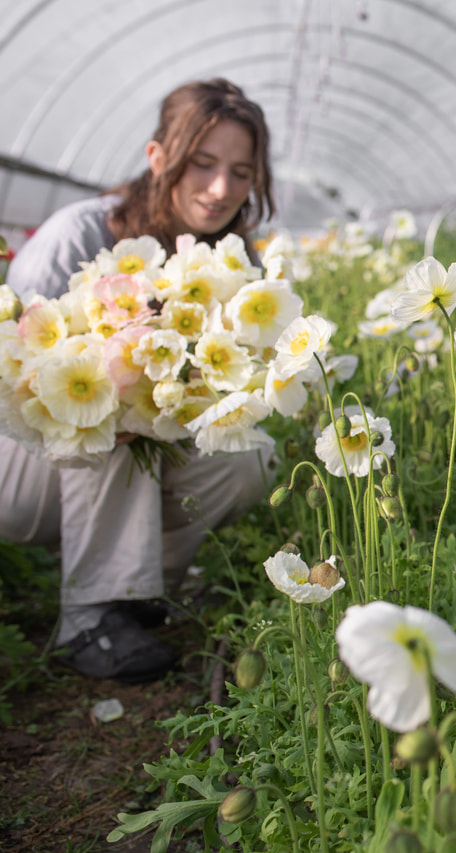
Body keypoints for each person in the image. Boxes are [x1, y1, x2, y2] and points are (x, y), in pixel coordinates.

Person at [0, 79, 277, 683]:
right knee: (111, 398)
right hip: (19, 469)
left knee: (245, 457)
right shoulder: (80, 233)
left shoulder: (231, 263)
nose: (221, 189)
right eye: (202, 164)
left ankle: (139, 590)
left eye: (240, 170)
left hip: (119, 461)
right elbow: (9, 367)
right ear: (158, 158)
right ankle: (89, 620)